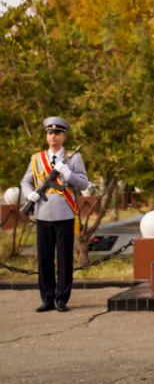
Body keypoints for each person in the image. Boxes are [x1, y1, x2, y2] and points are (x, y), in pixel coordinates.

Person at [20, 117, 89, 312]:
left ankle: (62, 299)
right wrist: (29, 194)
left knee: (64, 258)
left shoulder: (73, 158)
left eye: (57, 133)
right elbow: (25, 182)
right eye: (50, 133)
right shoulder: (36, 158)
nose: (53, 136)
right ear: (46, 136)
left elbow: (84, 184)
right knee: (44, 258)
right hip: (42, 213)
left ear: (63, 136)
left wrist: (68, 173)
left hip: (64, 213)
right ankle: (47, 298)